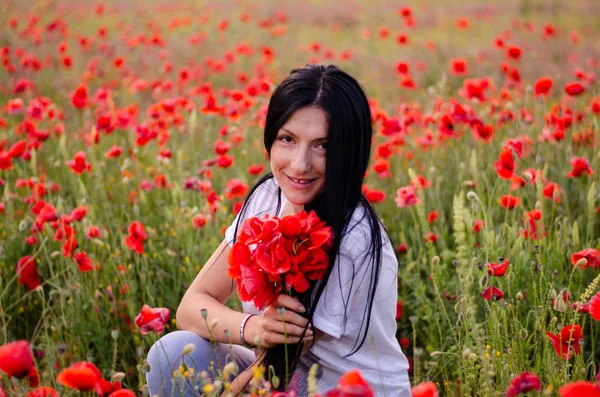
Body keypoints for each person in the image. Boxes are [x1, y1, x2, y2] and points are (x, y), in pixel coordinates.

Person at [146, 64, 412, 396]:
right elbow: (191, 307)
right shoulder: (268, 197)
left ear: (349, 152)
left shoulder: (351, 238)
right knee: (171, 354)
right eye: (288, 139)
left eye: (323, 146)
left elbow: (273, 373)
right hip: (284, 376)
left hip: (342, 389)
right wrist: (254, 328)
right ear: (270, 140)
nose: (300, 164)